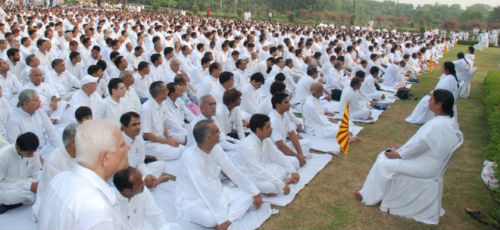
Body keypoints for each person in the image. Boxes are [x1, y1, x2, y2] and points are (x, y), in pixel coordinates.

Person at [355, 89, 462, 221]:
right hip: (430, 162)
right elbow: (423, 144)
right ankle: (372, 194)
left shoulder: (438, 125)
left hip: (426, 166)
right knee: (384, 157)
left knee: (383, 162)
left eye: (431, 99)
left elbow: (419, 146)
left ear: (439, 104)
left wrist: (399, 154)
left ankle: (371, 197)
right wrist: (402, 148)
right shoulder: (446, 121)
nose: (428, 101)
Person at [38, 119, 130, 230]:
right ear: (105, 158)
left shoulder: (60, 178)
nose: (128, 147)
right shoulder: (97, 207)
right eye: (122, 145)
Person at [175, 119, 262, 229]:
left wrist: (255, 192)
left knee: (250, 194)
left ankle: (229, 219)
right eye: (217, 131)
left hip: (218, 192)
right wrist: (221, 217)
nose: (220, 133)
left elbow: (232, 171)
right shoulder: (190, 158)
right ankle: (229, 214)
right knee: (211, 220)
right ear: (208, 138)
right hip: (194, 201)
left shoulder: (216, 148)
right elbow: (203, 188)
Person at [234, 114, 300, 196]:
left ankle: (279, 184)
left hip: (263, 169)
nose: (271, 129)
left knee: (294, 162)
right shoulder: (248, 147)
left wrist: (293, 171)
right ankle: (280, 184)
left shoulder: (266, 139)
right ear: (258, 130)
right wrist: (282, 186)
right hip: (249, 176)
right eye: (268, 127)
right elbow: (260, 172)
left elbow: (277, 155)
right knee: (269, 187)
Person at [33, 124, 78, 221]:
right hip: (58, 200)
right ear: (73, 142)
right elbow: (54, 191)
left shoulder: (82, 153)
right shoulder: (54, 159)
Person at [113, 167, 178, 230]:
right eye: (139, 183)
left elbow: (156, 215)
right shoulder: (112, 202)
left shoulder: (143, 191)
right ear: (127, 191)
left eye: (142, 179)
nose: (144, 183)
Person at [7, 89, 62, 158]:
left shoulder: (40, 112)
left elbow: (52, 133)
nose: (40, 102)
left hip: (46, 148)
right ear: (26, 104)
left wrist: (61, 150)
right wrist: (37, 159)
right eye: (36, 100)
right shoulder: (14, 121)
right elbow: (16, 147)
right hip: (29, 155)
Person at [120, 112, 169, 188]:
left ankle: (147, 183)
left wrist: (148, 175)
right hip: (123, 176)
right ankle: (153, 182)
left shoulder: (139, 138)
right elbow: (122, 171)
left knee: (161, 164)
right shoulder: (119, 142)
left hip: (136, 171)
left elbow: (140, 163)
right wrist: (143, 177)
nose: (138, 127)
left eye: (139, 123)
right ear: (124, 127)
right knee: (127, 185)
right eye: (134, 125)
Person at [141, 81, 184, 161]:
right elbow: (147, 134)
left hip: (161, 139)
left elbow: (162, 122)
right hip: (150, 143)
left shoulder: (162, 104)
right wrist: (167, 142)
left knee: (182, 149)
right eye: (166, 90)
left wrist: (169, 138)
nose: (168, 92)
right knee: (176, 152)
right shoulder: (146, 109)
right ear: (160, 93)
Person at [0, 132, 41, 214]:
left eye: (34, 152)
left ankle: (20, 202)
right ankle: (25, 200)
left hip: (27, 183)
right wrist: (29, 186)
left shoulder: (33, 151)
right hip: (9, 188)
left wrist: (39, 184)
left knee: (44, 186)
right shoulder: (3, 156)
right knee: (7, 197)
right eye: (29, 153)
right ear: (18, 148)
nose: (33, 155)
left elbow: (37, 171)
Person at [270, 93, 310, 169]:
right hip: (275, 152)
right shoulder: (273, 120)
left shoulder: (284, 115)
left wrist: (300, 153)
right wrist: (297, 157)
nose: (290, 104)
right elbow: (280, 146)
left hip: (284, 146)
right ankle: (296, 160)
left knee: (306, 142)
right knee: (295, 162)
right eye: (286, 102)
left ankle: (299, 158)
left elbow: (292, 134)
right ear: (278, 105)